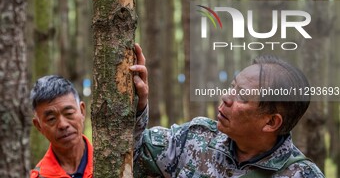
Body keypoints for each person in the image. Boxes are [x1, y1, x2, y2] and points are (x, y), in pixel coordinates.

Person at [132, 54, 325, 177]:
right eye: (232, 87)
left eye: (242, 95)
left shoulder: (301, 174)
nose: (225, 97)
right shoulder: (195, 138)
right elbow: (132, 153)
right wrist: (138, 104)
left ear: (271, 121)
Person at [30, 44, 149, 178]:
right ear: (38, 125)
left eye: (69, 114)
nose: (63, 125)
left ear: (82, 110)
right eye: (51, 119)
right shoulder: (40, 176)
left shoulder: (114, 160)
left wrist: (139, 105)